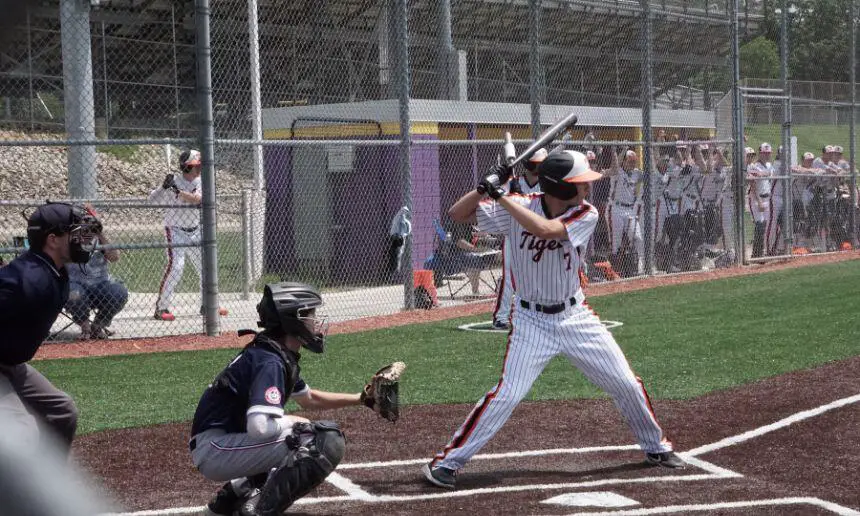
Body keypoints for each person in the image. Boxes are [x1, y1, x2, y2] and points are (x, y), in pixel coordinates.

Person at [423, 151, 684, 490]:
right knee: (508, 393)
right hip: (531, 321)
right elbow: (458, 213)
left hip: (575, 317)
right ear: (561, 188)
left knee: (625, 383)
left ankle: (656, 447)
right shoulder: (519, 203)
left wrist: (501, 196)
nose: (587, 189)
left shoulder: (584, 213)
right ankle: (447, 463)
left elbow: (545, 230)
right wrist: (485, 186)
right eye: (580, 184)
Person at [191, 282, 397, 515]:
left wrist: (361, 399)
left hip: (221, 445)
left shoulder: (273, 353)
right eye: (310, 315)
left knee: (304, 433)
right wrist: (292, 421)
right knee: (321, 439)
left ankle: (231, 498)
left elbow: (309, 398)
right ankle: (260, 511)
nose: (316, 322)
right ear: (292, 320)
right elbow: (259, 427)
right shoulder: (270, 361)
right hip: (217, 449)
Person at [0, 202, 100, 456]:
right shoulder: (29, 280)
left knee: (61, 412)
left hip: (10, 362)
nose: (83, 239)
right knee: (21, 433)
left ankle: (46, 485)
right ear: (52, 240)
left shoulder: (52, 272)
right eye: (74, 233)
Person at [148, 149, 227, 321]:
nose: (200, 169)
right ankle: (161, 308)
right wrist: (163, 187)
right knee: (176, 268)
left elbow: (198, 199)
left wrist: (179, 193)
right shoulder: (173, 182)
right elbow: (151, 201)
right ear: (187, 167)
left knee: (206, 269)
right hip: (175, 230)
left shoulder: (202, 181)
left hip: (196, 230)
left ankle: (208, 305)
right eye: (197, 166)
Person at [492, 148, 546, 330]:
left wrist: (521, 196)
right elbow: (499, 202)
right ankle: (501, 317)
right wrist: (511, 194)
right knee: (509, 276)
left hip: (537, 236)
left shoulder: (546, 185)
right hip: (514, 234)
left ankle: (538, 314)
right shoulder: (513, 182)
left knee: (539, 276)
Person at [65, 205, 128, 340]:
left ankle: (98, 325)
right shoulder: (69, 239)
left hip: (100, 284)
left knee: (119, 292)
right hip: (75, 284)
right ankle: (85, 326)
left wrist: (100, 234)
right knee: (73, 292)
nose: (88, 228)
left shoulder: (100, 239)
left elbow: (115, 257)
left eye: (92, 223)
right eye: (84, 223)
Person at [605, 148, 645, 276]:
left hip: (630, 210)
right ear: (624, 161)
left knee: (638, 237)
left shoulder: (636, 173)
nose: (632, 164)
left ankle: (641, 267)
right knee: (615, 244)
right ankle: (613, 272)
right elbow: (614, 167)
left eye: (634, 161)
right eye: (630, 161)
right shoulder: (618, 171)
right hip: (616, 208)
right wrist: (621, 152)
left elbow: (651, 174)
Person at [747, 143, 774, 258]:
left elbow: (771, 176)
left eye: (768, 153)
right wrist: (758, 202)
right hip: (757, 199)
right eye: (764, 153)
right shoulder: (754, 166)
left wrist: (764, 173)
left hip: (768, 198)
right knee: (760, 225)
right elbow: (752, 185)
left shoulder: (769, 165)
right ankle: (756, 253)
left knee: (766, 226)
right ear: (760, 153)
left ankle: (762, 251)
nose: (767, 155)